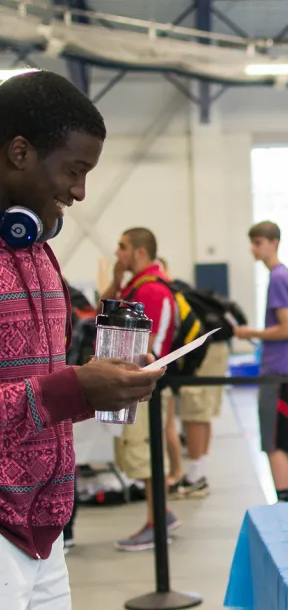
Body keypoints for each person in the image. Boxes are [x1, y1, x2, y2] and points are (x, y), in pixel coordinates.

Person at [0, 70, 164, 608]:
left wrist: (103, 383)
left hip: (44, 532)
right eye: (74, 170)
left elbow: (39, 387)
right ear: (20, 152)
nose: (79, 191)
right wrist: (74, 390)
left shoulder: (38, 253)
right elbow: (51, 394)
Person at [99, 228, 181, 551]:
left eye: (123, 247)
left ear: (140, 252)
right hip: (138, 382)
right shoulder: (134, 287)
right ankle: (160, 516)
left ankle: (158, 520)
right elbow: (102, 316)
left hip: (145, 383)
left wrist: (135, 378)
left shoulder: (152, 291)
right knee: (139, 454)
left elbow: (150, 345)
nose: (118, 253)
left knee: (146, 454)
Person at [234, 221, 288, 502]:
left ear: (274, 242)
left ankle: (285, 502)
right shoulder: (285, 276)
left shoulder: (278, 278)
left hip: (279, 372)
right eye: (252, 242)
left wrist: (248, 332)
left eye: (259, 242)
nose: (254, 248)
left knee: (275, 443)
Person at [156, 257, 230, 499]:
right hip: (216, 351)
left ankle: (196, 477)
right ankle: (199, 471)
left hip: (206, 354)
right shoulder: (182, 290)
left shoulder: (171, 293)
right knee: (203, 414)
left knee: (194, 413)